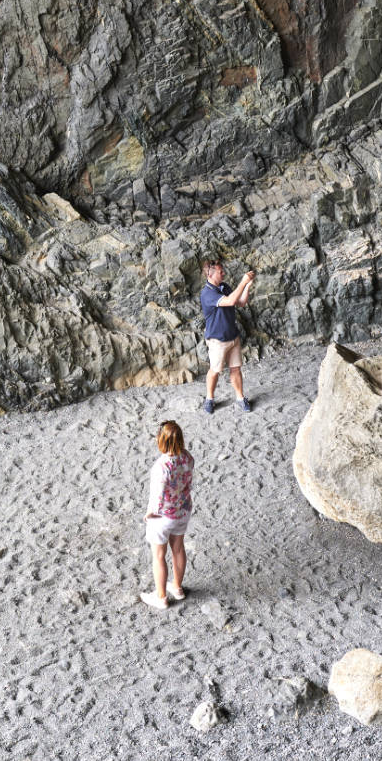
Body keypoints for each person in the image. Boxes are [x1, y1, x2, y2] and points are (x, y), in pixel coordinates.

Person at [141, 420, 193, 610]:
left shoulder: (161, 466)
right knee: (178, 548)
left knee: (159, 555)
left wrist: (150, 513)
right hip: (182, 510)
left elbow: (158, 496)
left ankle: (161, 597)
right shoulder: (187, 457)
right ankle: (177, 587)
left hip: (163, 517)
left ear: (160, 440)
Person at [199, 260, 254, 413]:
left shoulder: (224, 286)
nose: (223, 273)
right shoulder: (207, 293)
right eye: (220, 271)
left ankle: (240, 398)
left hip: (233, 337)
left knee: (236, 369)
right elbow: (230, 301)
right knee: (215, 370)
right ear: (210, 274)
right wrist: (243, 281)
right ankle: (209, 399)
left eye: (222, 270)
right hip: (217, 340)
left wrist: (247, 286)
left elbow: (241, 302)